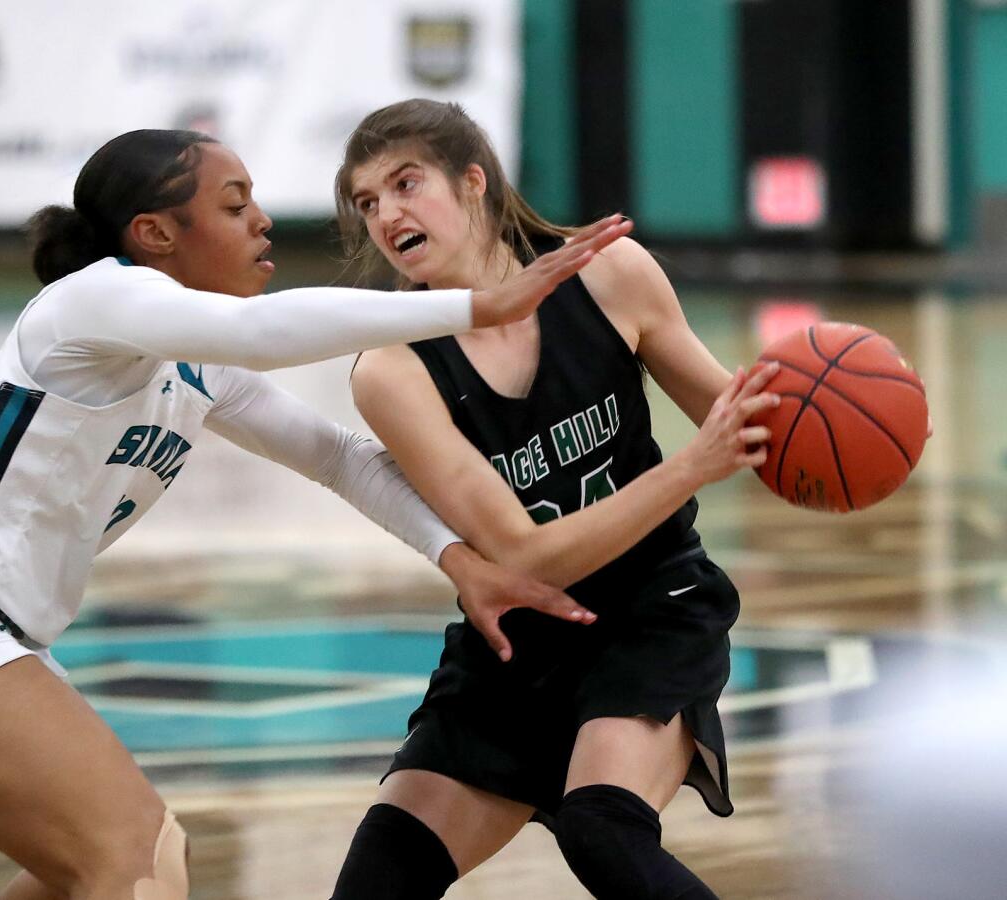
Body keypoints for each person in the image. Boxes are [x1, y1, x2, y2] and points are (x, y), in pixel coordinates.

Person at [0, 129, 635, 900]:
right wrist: (478, 306)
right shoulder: (87, 305)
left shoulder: (196, 365)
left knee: (96, 872)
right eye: (235, 205)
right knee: (138, 855)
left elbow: (340, 457)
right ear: (155, 235)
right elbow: (260, 330)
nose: (263, 220)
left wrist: (460, 559)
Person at [327, 100, 782, 899]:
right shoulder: (391, 369)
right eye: (367, 202)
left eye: (405, 183)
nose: (387, 213)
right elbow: (525, 555)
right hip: (516, 640)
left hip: (651, 610)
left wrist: (825, 417)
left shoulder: (608, 272)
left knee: (600, 827)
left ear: (475, 182)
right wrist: (689, 468)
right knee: (378, 883)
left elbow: (746, 427)